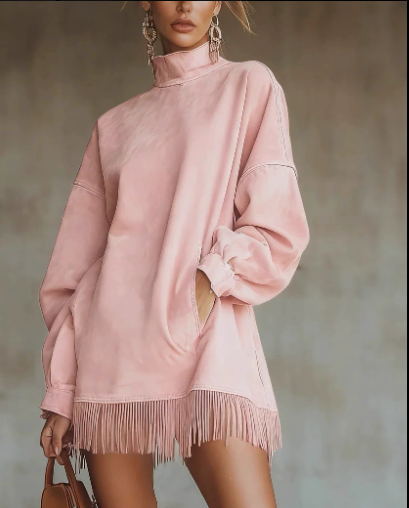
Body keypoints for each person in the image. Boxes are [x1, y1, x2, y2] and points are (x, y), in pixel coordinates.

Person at [39, 1, 310, 507]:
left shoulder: (248, 86)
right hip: (111, 361)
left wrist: (207, 284)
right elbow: (73, 276)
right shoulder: (114, 127)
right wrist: (63, 388)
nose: (185, 5)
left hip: (205, 348)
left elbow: (277, 228)